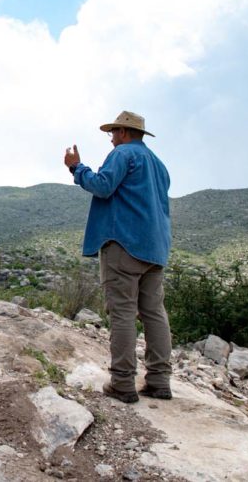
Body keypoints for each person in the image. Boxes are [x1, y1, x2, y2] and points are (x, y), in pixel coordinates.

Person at [63, 111, 173, 403]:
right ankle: (160, 381)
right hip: (155, 247)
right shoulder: (159, 166)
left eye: (113, 132)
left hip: (123, 242)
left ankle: (123, 383)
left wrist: (77, 168)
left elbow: (102, 186)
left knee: (123, 312)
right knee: (154, 313)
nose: (111, 138)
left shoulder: (122, 154)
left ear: (124, 132)